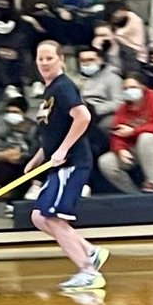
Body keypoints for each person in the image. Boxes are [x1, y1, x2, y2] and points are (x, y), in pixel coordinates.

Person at [26, 41, 108, 291]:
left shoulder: (63, 87)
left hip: (72, 163)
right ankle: (90, 251)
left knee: (53, 218)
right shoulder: (48, 90)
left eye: (49, 58)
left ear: (61, 59)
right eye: (40, 58)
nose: (44, 63)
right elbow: (53, 132)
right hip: (56, 164)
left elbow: (83, 117)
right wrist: (38, 158)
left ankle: (88, 271)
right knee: (39, 217)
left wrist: (62, 151)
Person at [98, 74, 153, 193]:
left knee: (145, 137)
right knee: (105, 162)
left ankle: (152, 182)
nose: (129, 91)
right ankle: (134, 194)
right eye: (125, 89)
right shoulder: (123, 107)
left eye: (132, 87)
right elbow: (117, 132)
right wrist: (120, 149)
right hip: (136, 146)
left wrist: (134, 131)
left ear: (142, 87)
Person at [0, 96, 37, 217]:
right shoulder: (4, 130)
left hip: (28, 163)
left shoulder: (34, 129)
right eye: (9, 112)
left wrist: (20, 155)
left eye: (15, 112)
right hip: (8, 161)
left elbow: (35, 151)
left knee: (27, 169)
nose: (11, 115)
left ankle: (14, 204)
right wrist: (5, 155)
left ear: (24, 113)